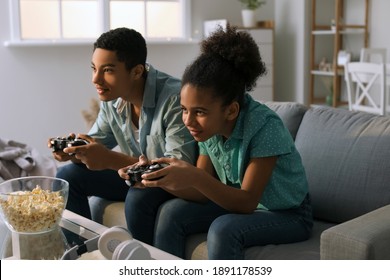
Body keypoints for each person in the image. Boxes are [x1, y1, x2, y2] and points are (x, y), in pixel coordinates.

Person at [119, 24, 313, 259]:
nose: (188, 121)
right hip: (235, 201)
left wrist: (195, 177)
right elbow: (201, 193)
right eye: (184, 110)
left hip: (287, 214)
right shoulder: (208, 131)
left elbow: (247, 202)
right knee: (171, 213)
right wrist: (159, 180)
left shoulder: (265, 127)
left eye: (199, 112)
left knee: (223, 230)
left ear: (231, 111)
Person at [50, 28, 197, 225]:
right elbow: (97, 143)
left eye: (108, 70)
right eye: (94, 68)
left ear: (137, 71)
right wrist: (75, 151)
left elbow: (176, 171)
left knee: (139, 196)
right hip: (135, 177)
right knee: (67, 176)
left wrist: (110, 159)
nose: (96, 79)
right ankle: (82, 251)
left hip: (173, 185)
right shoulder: (111, 99)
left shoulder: (175, 99)